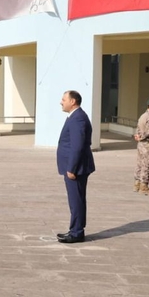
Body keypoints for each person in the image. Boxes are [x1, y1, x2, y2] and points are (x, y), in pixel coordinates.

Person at [56, 90, 95, 243]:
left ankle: (77, 232)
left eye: (64, 99)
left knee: (76, 200)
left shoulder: (78, 118)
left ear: (73, 101)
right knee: (76, 199)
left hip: (76, 168)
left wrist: (72, 168)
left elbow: (77, 146)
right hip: (74, 166)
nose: (61, 102)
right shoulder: (75, 116)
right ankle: (75, 229)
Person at [133, 96, 149, 193]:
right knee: (148, 164)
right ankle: (144, 186)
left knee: (140, 163)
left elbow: (138, 129)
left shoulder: (143, 115)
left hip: (141, 144)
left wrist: (138, 135)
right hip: (147, 143)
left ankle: (137, 183)